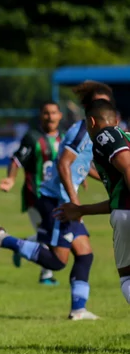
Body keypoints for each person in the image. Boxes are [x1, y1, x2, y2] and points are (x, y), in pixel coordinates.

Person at [0, 83, 110, 320]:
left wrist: (108, 180)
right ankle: (4, 240)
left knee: (85, 253)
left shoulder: (92, 132)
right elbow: (63, 163)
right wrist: (75, 203)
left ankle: (78, 310)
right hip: (59, 201)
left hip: (63, 199)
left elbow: (81, 164)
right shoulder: (80, 130)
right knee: (58, 262)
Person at [55, 99, 130, 307]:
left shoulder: (105, 135)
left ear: (91, 122)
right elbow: (117, 201)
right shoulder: (125, 138)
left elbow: (127, 166)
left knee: (127, 277)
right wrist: (81, 210)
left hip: (126, 215)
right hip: (123, 211)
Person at [0, 101, 63, 286]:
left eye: (53, 113)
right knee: (50, 235)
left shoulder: (65, 138)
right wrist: (10, 178)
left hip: (58, 196)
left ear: (60, 116)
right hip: (35, 195)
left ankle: (22, 245)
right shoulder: (32, 138)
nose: (50, 117)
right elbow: (16, 160)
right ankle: (46, 276)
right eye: (46, 113)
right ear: (40, 116)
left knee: (50, 235)